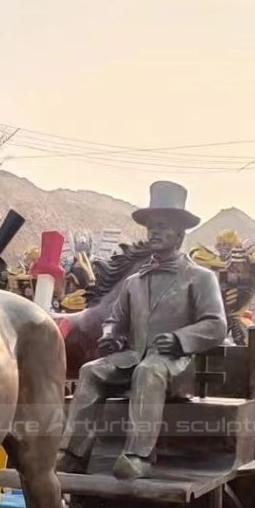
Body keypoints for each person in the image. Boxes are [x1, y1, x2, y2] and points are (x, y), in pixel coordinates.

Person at [57, 182, 228, 480]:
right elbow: (115, 319)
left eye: (162, 226)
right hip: (134, 358)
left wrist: (179, 339)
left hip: (179, 365)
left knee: (149, 371)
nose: (154, 232)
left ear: (179, 232)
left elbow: (216, 325)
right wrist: (110, 336)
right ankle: (72, 452)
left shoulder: (200, 278)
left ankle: (139, 456)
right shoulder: (134, 282)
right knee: (91, 371)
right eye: (151, 227)